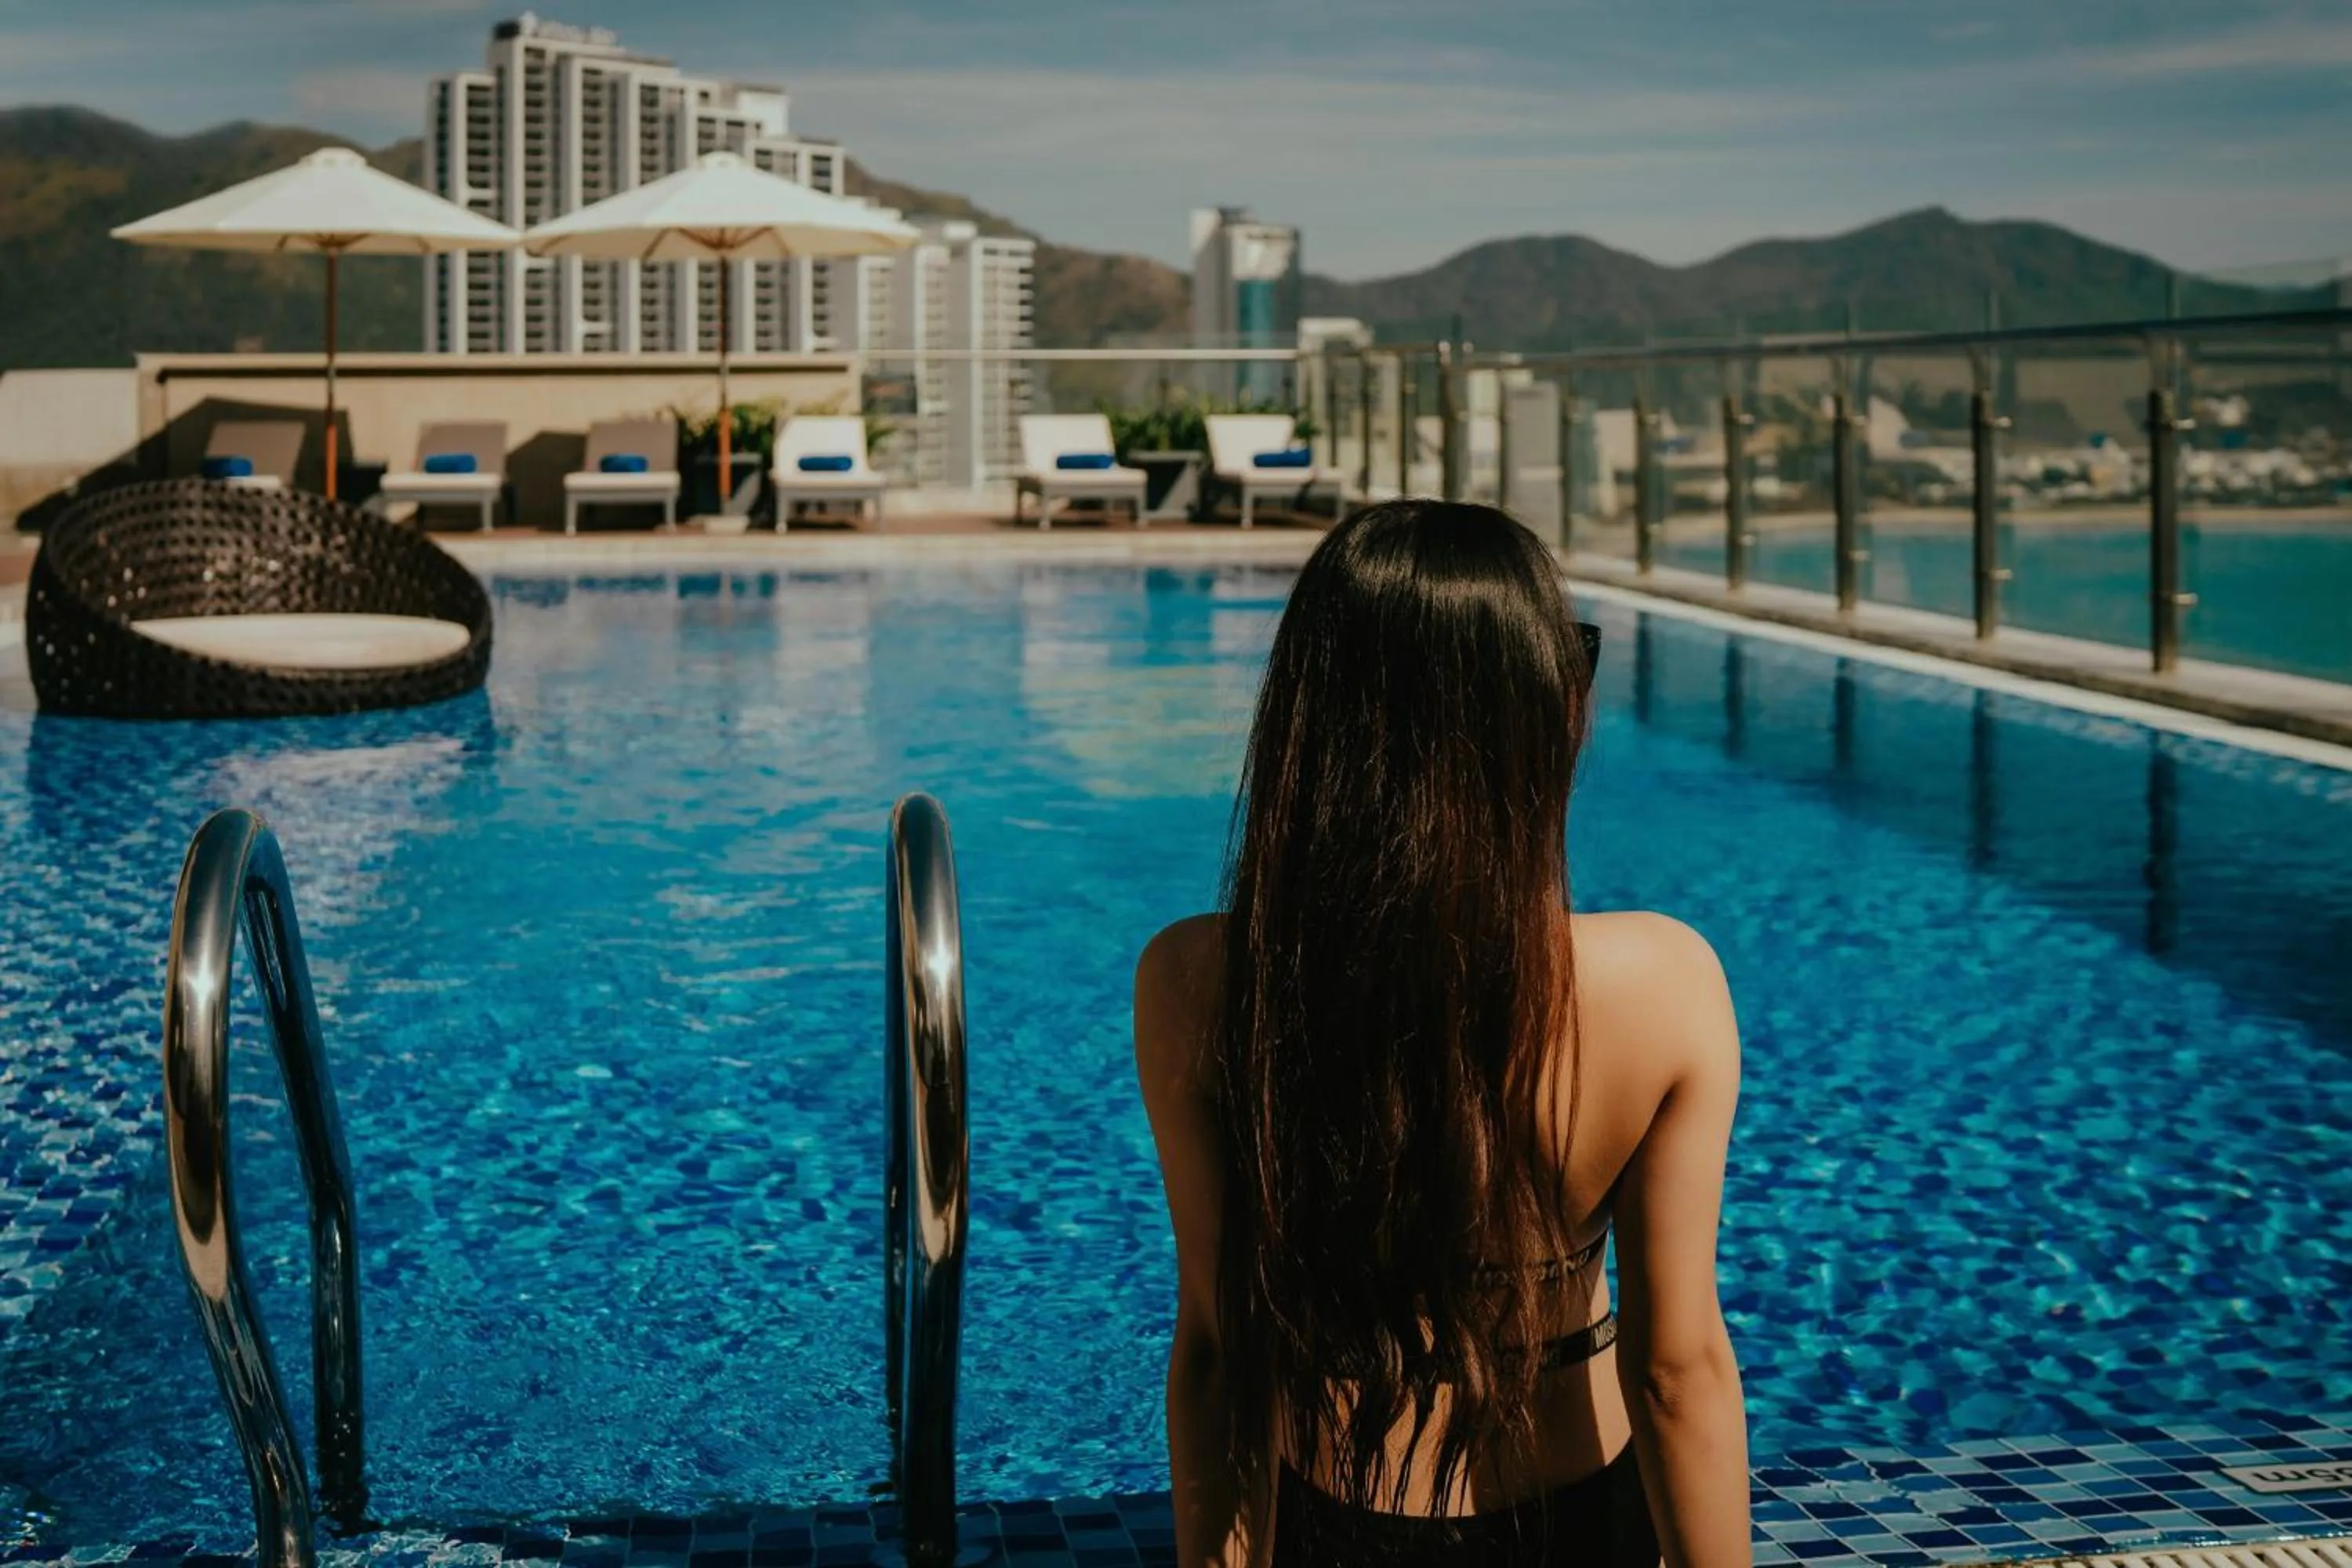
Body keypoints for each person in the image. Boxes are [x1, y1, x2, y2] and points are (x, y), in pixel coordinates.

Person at [1134, 500, 1749, 1566]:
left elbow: (1223, 1352)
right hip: (1579, 1518)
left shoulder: (1199, 982)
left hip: (1332, 1515)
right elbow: (1674, 1371)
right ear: (1537, 705)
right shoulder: (1664, 983)